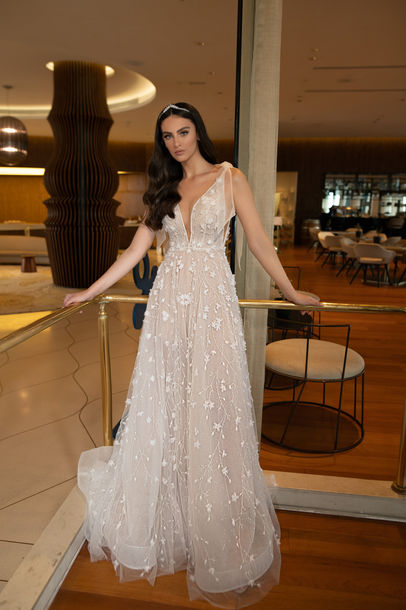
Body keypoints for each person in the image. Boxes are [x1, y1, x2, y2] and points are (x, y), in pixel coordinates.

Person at [64, 102, 320, 608]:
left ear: (198, 133)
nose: (177, 142)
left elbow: (258, 242)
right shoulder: (163, 188)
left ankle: (217, 526)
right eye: (167, 136)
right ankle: (170, 513)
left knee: (212, 406)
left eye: (183, 132)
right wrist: (91, 291)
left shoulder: (230, 178)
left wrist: (290, 292)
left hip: (212, 307)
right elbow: (135, 251)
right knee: (167, 401)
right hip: (167, 309)